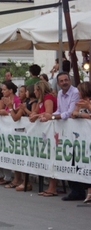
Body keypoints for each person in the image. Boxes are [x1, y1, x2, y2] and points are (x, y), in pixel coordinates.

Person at [40, 72, 81, 200]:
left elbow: (69, 113)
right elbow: (60, 111)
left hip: (76, 131)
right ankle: (74, 190)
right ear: (58, 83)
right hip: (65, 132)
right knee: (67, 159)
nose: (64, 82)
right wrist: (49, 116)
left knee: (75, 159)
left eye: (66, 80)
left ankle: (78, 190)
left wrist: (52, 116)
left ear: (70, 80)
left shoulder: (75, 93)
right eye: (61, 81)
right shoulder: (59, 93)